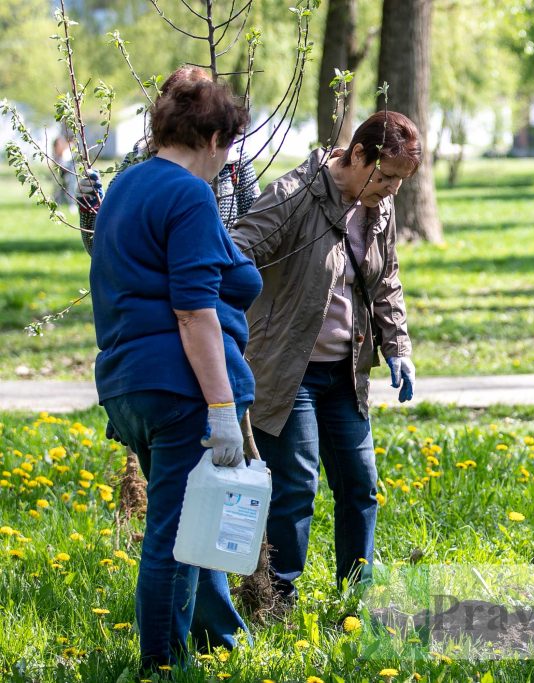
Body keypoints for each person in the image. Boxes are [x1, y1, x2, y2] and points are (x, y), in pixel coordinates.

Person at [89, 79, 258, 672]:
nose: (227, 160)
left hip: (125, 380)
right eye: (227, 146)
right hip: (179, 387)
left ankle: (177, 651)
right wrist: (219, 409)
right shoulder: (189, 195)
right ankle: (161, 664)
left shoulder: (123, 188)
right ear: (213, 139)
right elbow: (194, 311)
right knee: (174, 537)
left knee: (179, 534)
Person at [230, 110, 418, 605]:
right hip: (289, 372)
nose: (393, 190)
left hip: (345, 372)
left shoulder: (378, 206)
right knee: (296, 485)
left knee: (361, 485)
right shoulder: (294, 196)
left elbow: (387, 279)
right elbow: (237, 248)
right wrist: (244, 316)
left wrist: (397, 346)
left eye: (402, 181)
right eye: (388, 177)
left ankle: (357, 596)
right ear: (358, 155)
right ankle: (276, 598)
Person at [78, 65, 260, 254]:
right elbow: (106, 248)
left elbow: (257, 231)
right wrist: (90, 209)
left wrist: (234, 262)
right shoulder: (138, 162)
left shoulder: (233, 160)